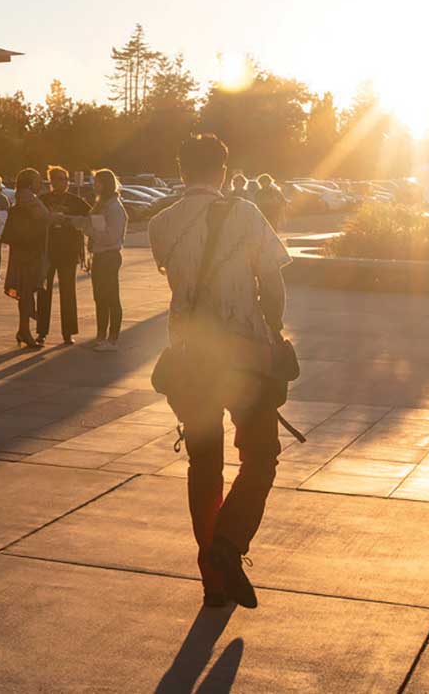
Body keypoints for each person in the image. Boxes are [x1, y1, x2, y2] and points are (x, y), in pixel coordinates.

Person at [148, 133, 291, 610]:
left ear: (181, 169)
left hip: (190, 356)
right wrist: (274, 331)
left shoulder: (161, 224)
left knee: (203, 464)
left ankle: (212, 582)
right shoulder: (247, 214)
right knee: (261, 455)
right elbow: (272, 281)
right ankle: (228, 545)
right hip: (245, 352)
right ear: (224, 171)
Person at [37, 165, 92, 345]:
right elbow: (34, 219)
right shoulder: (42, 200)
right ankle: (41, 331)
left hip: (68, 251)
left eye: (65, 179)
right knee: (44, 292)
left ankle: (68, 332)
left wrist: (72, 221)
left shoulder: (76, 201)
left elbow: (91, 216)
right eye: (58, 179)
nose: (63, 183)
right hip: (47, 251)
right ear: (51, 181)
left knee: (68, 292)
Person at [4, 169, 51, 348]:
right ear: (31, 182)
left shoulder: (21, 196)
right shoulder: (29, 197)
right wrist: (61, 217)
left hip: (21, 250)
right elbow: (44, 217)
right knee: (26, 291)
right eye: (39, 180)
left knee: (25, 292)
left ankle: (24, 329)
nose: (41, 183)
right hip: (28, 252)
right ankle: (25, 330)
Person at [86, 169, 129, 351]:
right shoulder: (101, 205)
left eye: (97, 182)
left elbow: (111, 237)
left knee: (111, 297)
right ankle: (101, 335)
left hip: (109, 256)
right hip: (99, 255)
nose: (94, 186)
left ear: (106, 184)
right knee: (100, 298)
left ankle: (112, 339)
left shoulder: (115, 208)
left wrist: (89, 231)